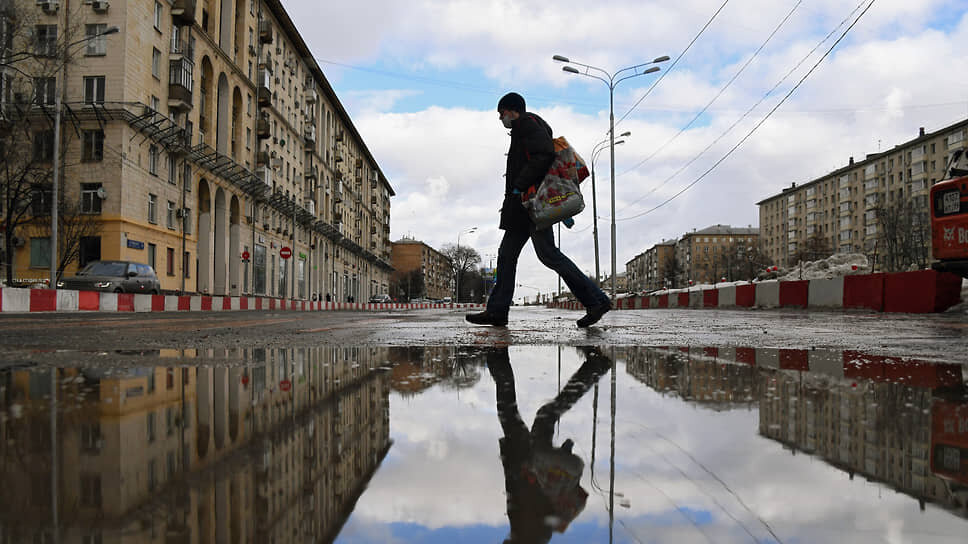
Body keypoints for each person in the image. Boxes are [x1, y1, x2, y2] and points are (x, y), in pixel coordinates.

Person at [466, 92, 612, 328]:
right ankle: (497, 311)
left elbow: (543, 154)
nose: (500, 119)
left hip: (529, 205)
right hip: (522, 208)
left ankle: (596, 301)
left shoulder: (527, 123)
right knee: (506, 256)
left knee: (548, 255)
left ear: (513, 110)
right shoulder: (524, 128)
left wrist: (520, 186)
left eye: (501, 113)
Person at [484, 346, 612, 542]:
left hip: (563, 469)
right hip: (540, 464)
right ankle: (496, 356)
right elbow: (522, 491)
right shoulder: (527, 534)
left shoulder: (537, 533)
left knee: (544, 416)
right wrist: (512, 461)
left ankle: (595, 368)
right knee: (508, 410)